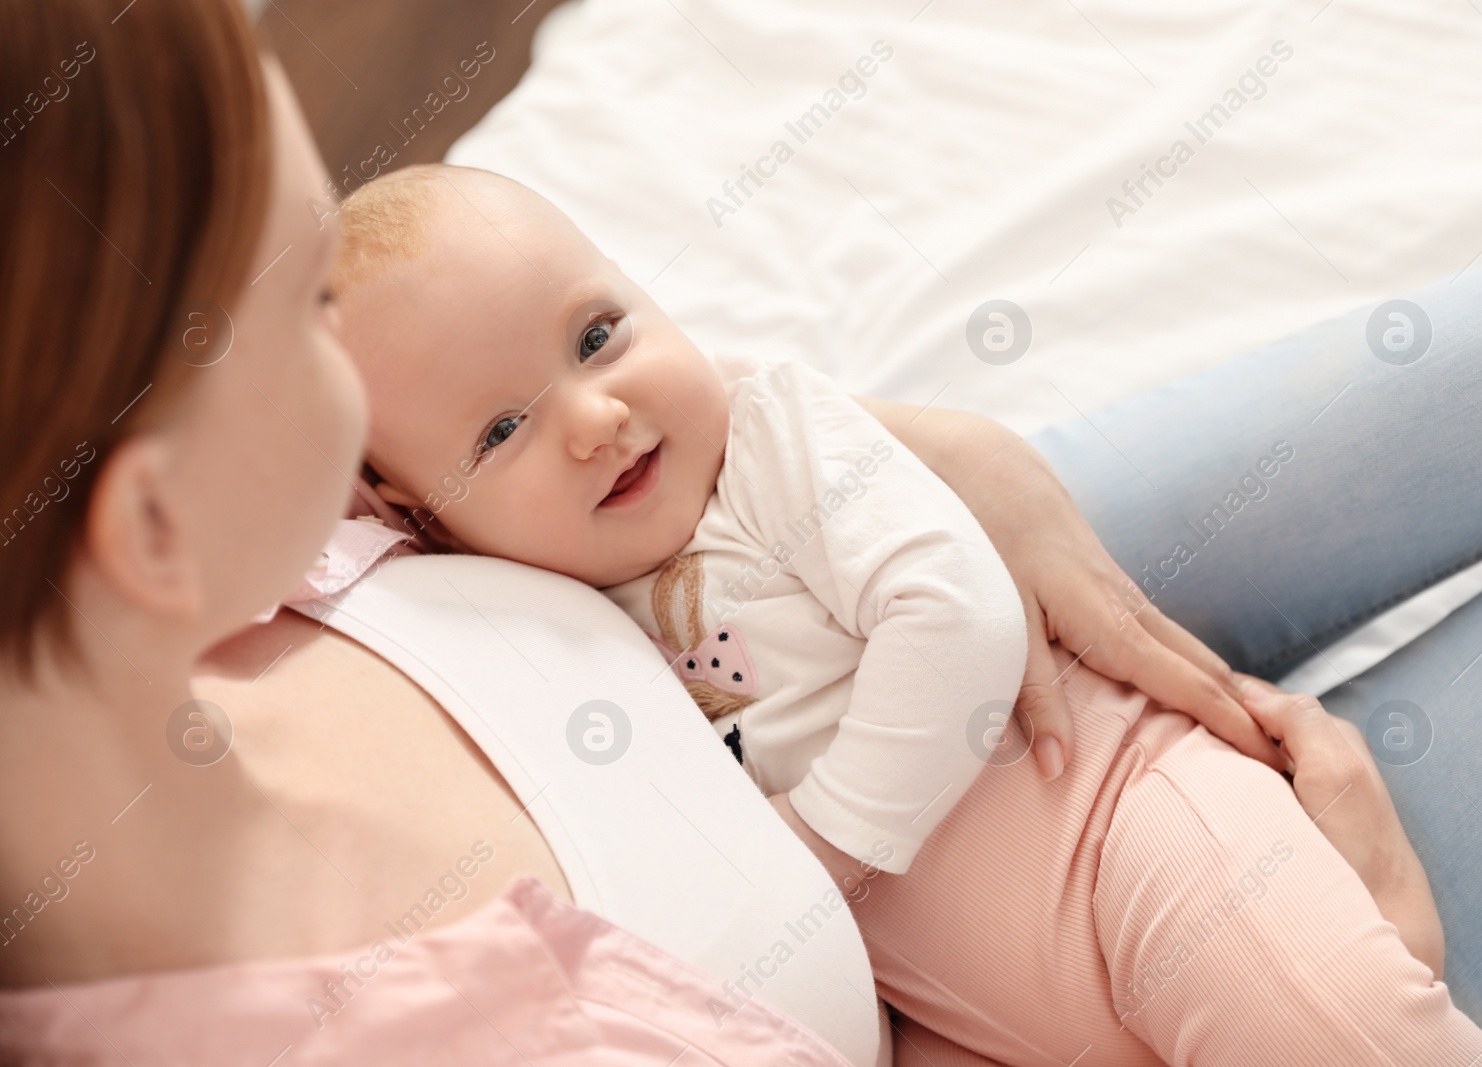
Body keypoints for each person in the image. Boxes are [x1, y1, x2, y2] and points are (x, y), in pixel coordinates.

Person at [0, 1, 1256, 1060]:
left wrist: (916, 451)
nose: (363, 440)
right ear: (155, 524)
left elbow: (590, 409)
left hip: (851, 581)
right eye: (307, 311)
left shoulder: (256, 560)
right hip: (1079, 908)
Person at [322, 161, 1482, 1066]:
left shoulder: (773, 441)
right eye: (498, 431)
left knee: (1320, 1018)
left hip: (1115, 831)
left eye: (597, 334)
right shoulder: (548, 614)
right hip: (969, 1001)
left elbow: (959, 618)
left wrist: (822, 845)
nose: (594, 414)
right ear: (420, 521)